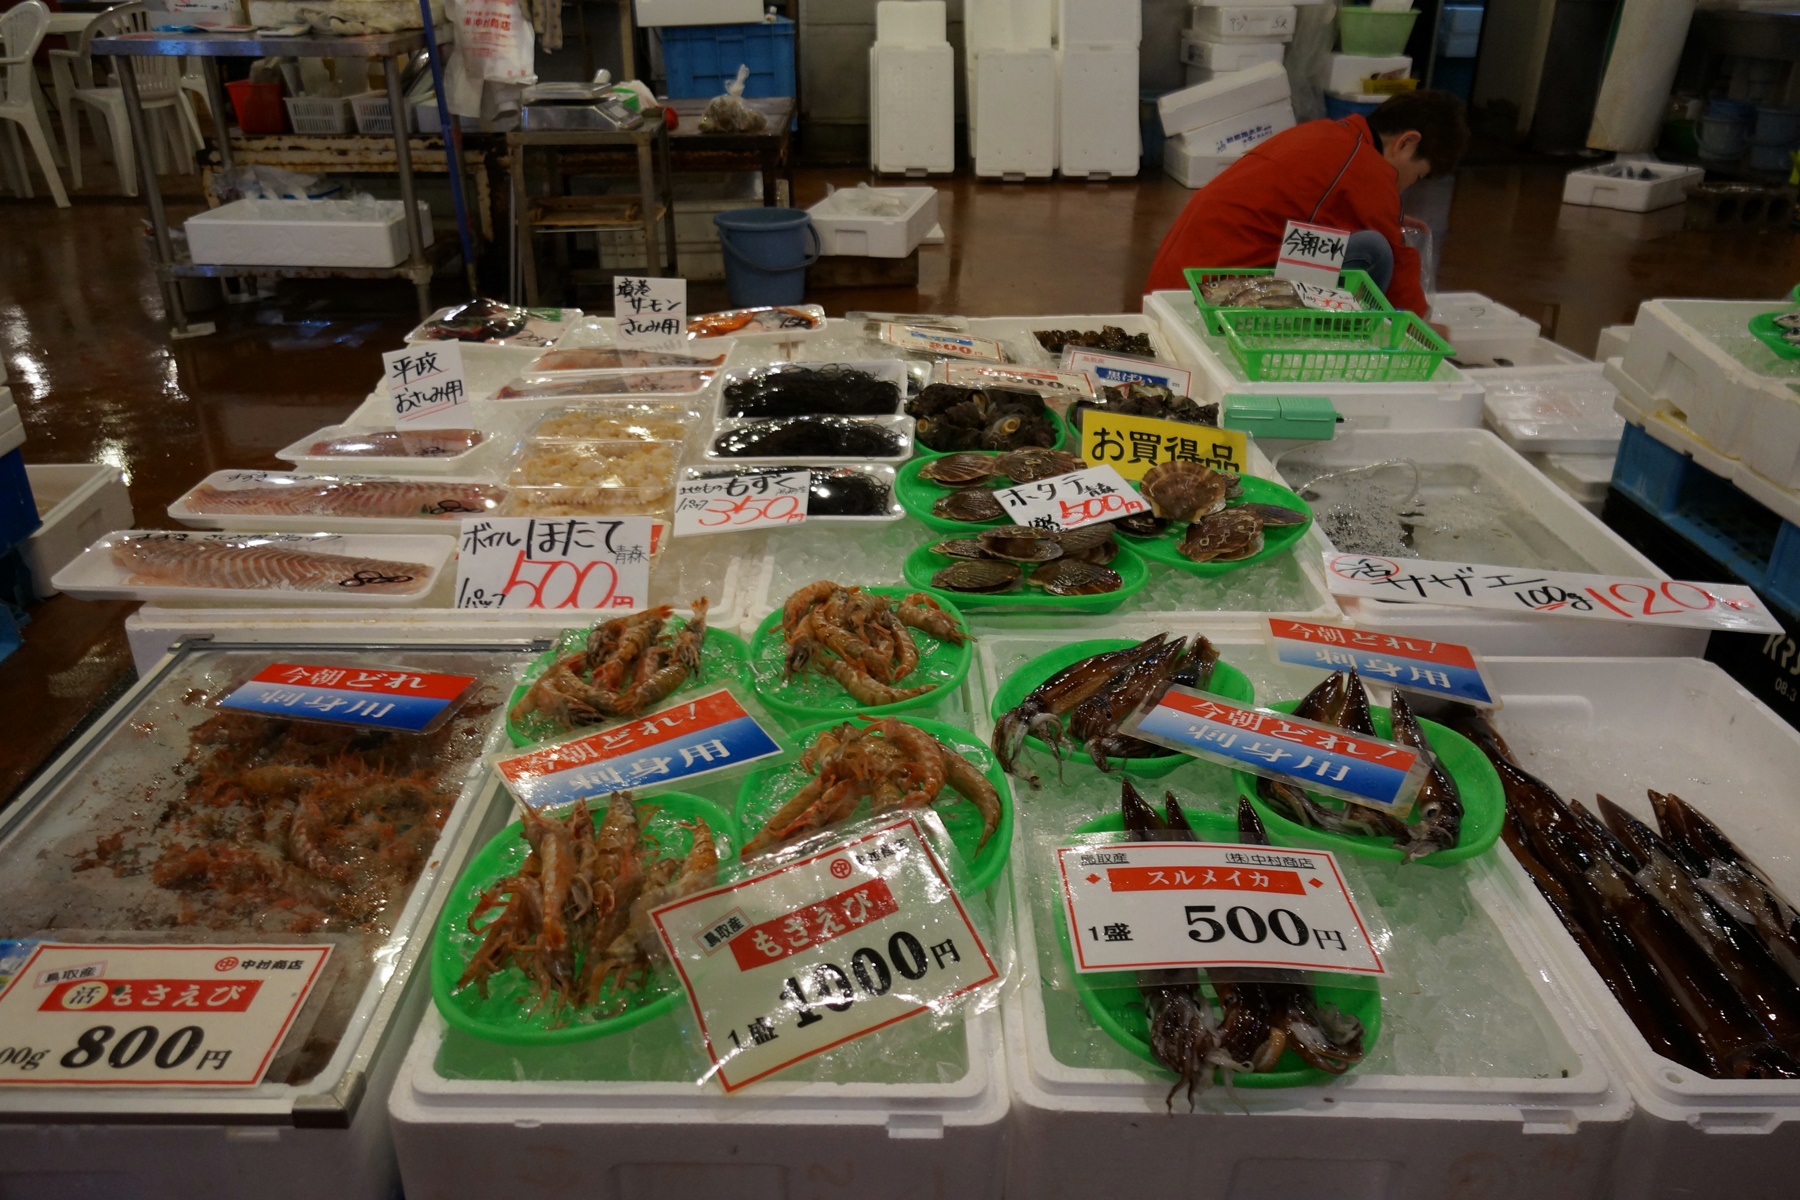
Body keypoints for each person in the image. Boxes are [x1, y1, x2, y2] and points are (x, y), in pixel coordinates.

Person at [1143, 90, 1470, 319]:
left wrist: (1390, 216)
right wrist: (1423, 331)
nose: (1409, 185)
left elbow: (1315, 211)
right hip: (1211, 301)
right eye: (1418, 175)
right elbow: (1397, 269)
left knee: (1364, 242)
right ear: (1407, 142)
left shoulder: (1330, 135)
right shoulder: (1367, 170)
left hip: (1177, 286)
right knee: (1374, 250)